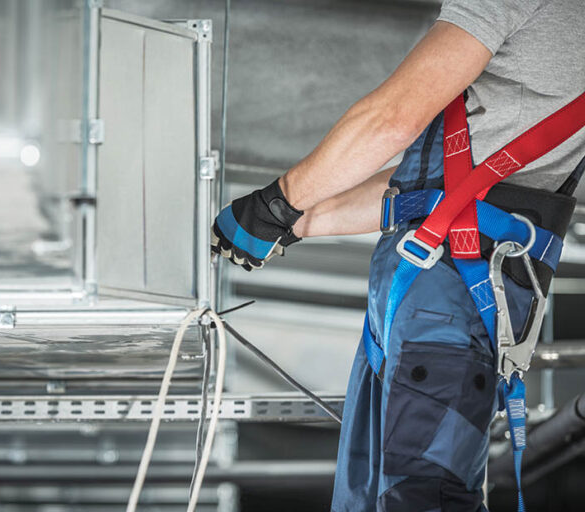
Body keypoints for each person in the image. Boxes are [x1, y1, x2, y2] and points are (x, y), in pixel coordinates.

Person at [211, 0, 585, 510]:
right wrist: (292, 223)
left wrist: (277, 202)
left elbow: (392, 118)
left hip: (450, 299)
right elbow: (424, 194)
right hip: (443, 288)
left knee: (417, 500)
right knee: (375, 501)